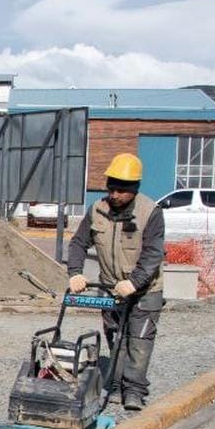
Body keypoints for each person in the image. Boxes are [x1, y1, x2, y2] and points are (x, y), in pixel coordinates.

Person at [67, 153, 165, 411]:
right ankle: (117, 386)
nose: (115, 194)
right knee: (115, 339)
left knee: (139, 342)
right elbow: (78, 243)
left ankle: (134, 391)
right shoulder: (98, 210)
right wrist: (75, 272)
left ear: (134, 189)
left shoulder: (150, 212)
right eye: (112, 187)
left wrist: (134, 282)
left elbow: (153, 253)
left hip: (145, 290)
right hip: (111, 288)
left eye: (122, 190)